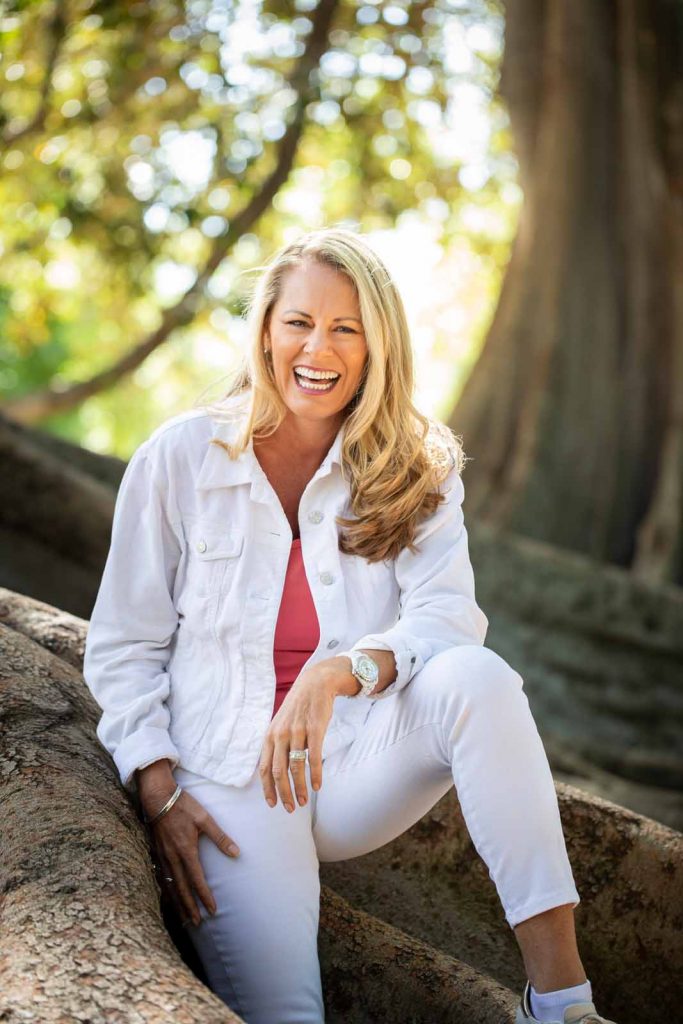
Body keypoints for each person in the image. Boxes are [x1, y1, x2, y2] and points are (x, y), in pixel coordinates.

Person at [83, 227, 617, 1024]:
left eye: (345, 328)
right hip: (228, 781)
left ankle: (561, 1004)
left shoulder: (414, 468)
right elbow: (125, 643)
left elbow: (446, 615)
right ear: (266, 330)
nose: (317, 348)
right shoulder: (180, 459)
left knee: (478, 680)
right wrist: (158, 791)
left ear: (376, 346)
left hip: (355, 761)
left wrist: (344, 671)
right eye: (298, 322)